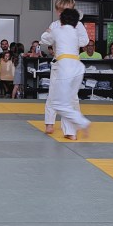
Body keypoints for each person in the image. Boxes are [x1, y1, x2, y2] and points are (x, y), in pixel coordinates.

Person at [40, 8, 90, 140]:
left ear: (61, 21)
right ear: (76, 22)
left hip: (65, 68)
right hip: (78, 68)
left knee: (58, 103)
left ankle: (82, 123)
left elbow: (44, 39)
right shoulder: (75, 32)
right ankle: (71, 133)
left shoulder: (57, 31)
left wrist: (48, 31)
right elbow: (84, 41)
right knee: (70, 100)